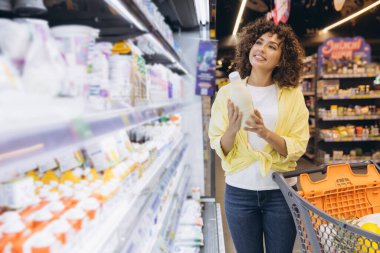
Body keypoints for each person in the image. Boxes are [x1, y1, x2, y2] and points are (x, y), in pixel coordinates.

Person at [208, 18, 309, 253]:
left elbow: (298, 145)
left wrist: (265, 133)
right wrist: (232, 130)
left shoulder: (292, 95)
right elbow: (218, 145)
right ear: (249, 47)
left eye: (272, 46)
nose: (261, 49)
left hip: (281, 193)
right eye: (259, 42)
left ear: (282, 59)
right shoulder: (227, 94)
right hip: (239, 191)